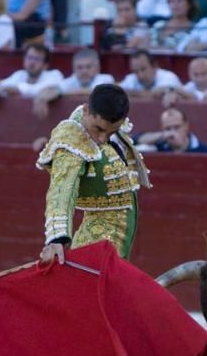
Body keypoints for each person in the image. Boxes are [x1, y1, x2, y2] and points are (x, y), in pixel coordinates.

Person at [37, 84, 150, 263]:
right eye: (98, 129)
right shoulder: (71, 140)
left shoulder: (106, 122)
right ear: (86, 110)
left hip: (117, 240)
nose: (102, 139)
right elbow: (61, 191)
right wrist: (56, 239)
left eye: (111, 132)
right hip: (96, 244)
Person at [0, 44, 65, 107]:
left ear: (45, 65)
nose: (32, 62)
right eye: (29, 57)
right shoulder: (20, 75)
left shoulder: (54, 75)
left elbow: (37, 90)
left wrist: (4, 89)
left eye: (37, 59)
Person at [135, 108, 207, 153]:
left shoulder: (205, 151)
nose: (172, 133)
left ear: (186, 126)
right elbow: (134, 140)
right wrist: (162, 135)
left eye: (177, 127)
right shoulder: (159, 146)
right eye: (168, 128)